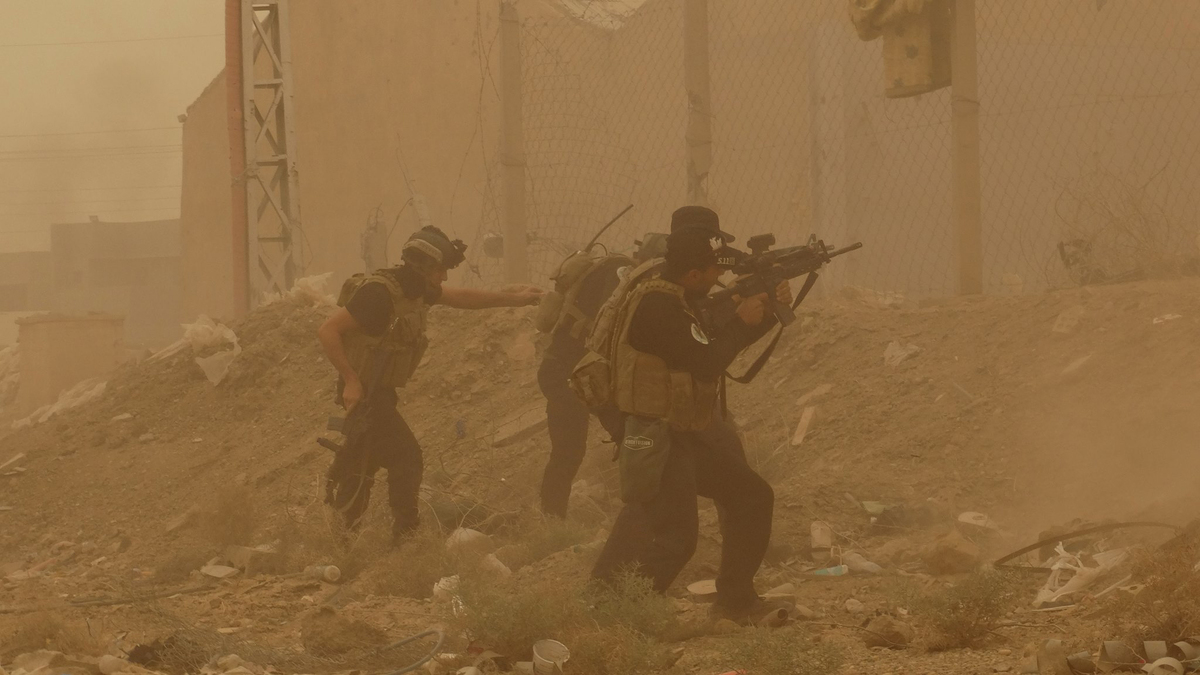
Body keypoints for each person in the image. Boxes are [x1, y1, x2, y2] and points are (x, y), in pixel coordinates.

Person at [586, 206, 793, 624]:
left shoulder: (675, 293)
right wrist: (745, 319)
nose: (720, 277)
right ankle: (619, 618)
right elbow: (707, 359)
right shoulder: (657, 306)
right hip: (657, 435)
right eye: (714, 270)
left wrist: (765, 314)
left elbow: (709, 344)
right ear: (694, 274)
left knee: (751, 496)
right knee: (676, 539)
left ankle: (735, 602)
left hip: (682, 430)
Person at [317, 226, 542, 542]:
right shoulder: (378, 295)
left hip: (381, 392)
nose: (444, 278)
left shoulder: (415, 289)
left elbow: (461, 298)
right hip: (365, 393)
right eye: (440, 270)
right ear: (421, 267)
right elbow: (328, 330)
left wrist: (516, 299)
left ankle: (344, 537)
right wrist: (351, 381)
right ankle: (405, 536)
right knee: (406, 456)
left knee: (364, 462)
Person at [536, 234, 668, 518]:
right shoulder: (620, 274)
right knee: (613, 441)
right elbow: (613, 324)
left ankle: (553, 517)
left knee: (576, 449)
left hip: (570, 370)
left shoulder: (614, 270)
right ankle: (553, 520)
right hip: (573, 374)